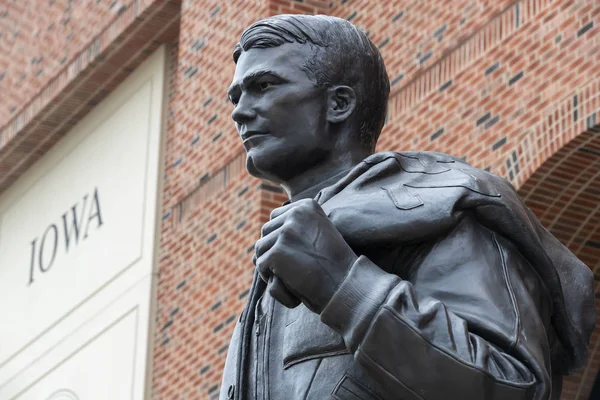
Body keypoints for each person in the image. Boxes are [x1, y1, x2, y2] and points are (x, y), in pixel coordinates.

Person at [220, 14, 594, 400]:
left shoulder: (441, 213)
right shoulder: (266, 288)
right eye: (235, 96)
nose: (239, 111)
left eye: (263, 86)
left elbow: (515, 388)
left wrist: (343, 284)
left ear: (339, 103)